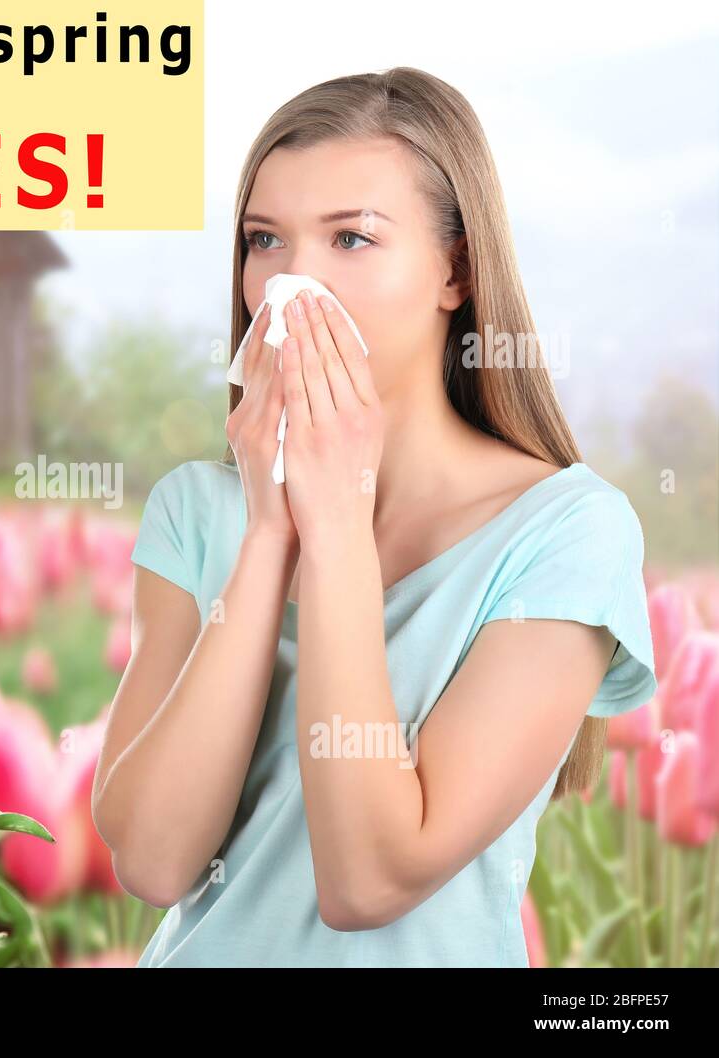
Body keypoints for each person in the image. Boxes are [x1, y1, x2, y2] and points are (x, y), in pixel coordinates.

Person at [92, 67, 657, 967]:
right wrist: (273, 534)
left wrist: (340, 527)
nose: (292, 287)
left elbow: (369, 882)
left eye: (351, 238)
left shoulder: (567, 534)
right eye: (265, 240)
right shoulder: (199, 512)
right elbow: (156, 862)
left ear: (455, 271)